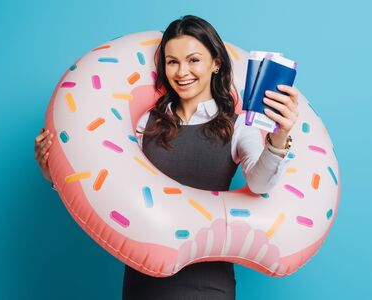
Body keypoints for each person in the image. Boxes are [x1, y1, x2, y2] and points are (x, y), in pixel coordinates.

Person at [34, 15, 298, 300]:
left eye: (193, 60)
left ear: (216, 63)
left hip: (208, 284)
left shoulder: (238, 128)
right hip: (145, 281)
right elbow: (110, 186)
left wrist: (279, 137)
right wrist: (56, 175)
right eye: (172, 62)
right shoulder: (144, 123)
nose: (182, 71)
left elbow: (259, 185)